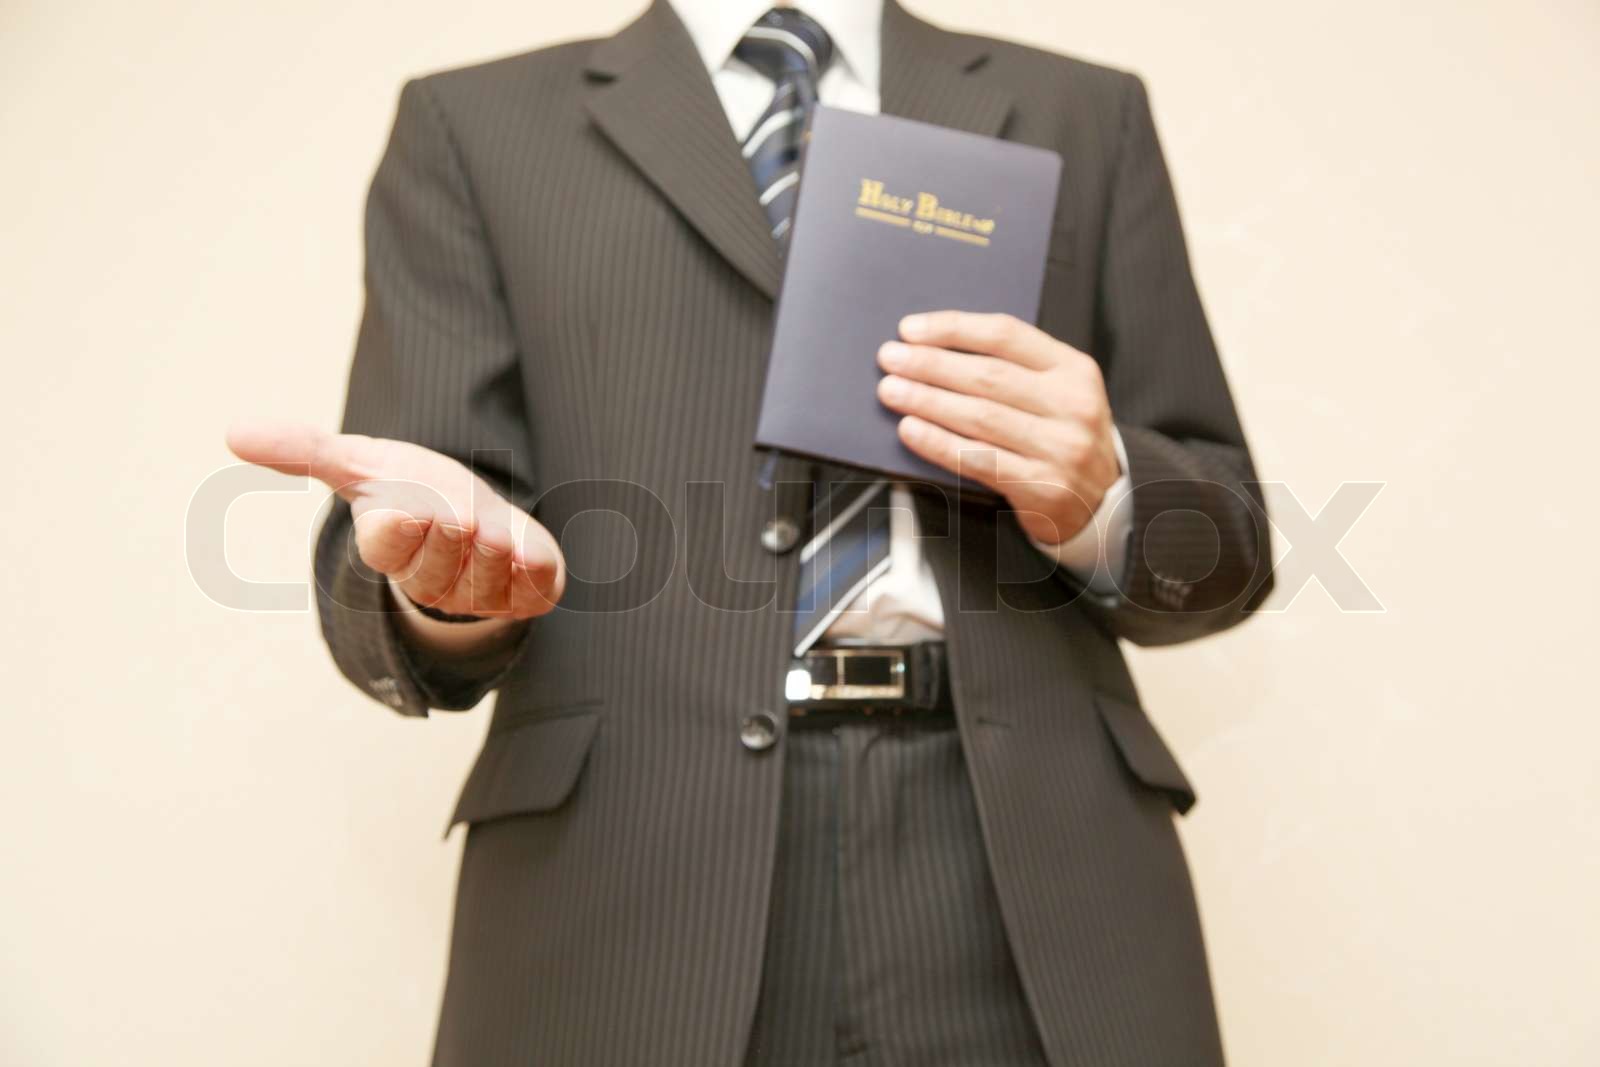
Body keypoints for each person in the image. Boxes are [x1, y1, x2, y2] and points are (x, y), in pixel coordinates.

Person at [229, 1, 1273, 1063]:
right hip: (624, 874)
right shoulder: (470, 125)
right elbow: (409, 531)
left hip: (1027, 869)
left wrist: (1104, 495)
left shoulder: (1084, 112)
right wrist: (444, 586)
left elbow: (1229, 546)